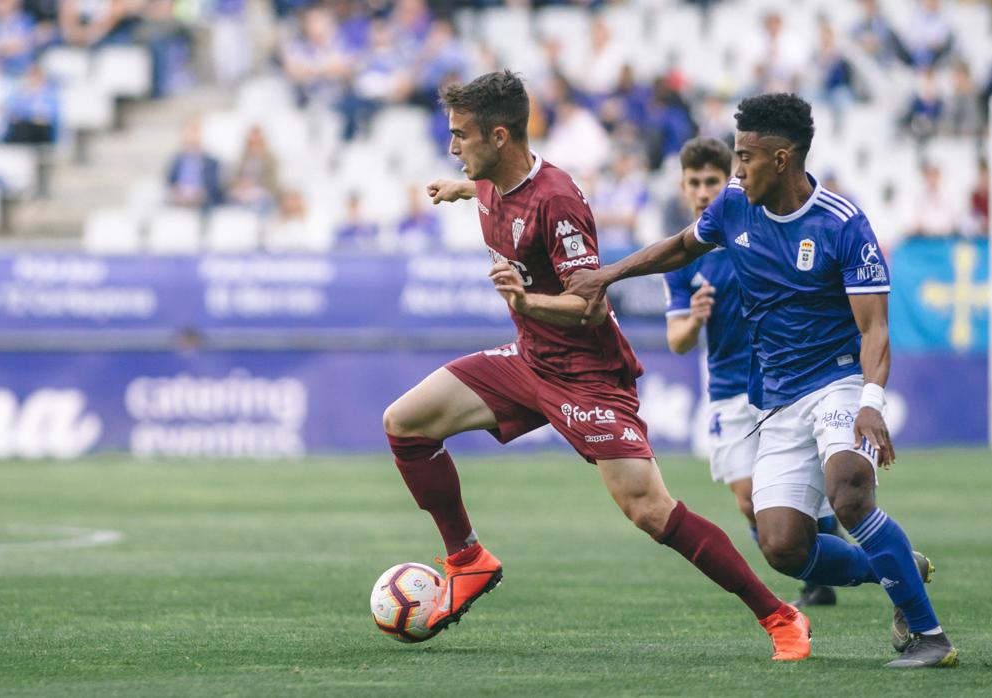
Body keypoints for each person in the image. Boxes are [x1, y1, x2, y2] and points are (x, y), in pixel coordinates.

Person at [382, 71, 811, 660]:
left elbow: (590, 305)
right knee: (405, 422)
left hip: (587, 375)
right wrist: (457, 190)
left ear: (500, 136)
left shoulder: (556, 200)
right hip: (530, 360)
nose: (453, 147)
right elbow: (483, 194)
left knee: (650, 511)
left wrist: (526, 302)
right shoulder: (487, 180)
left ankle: (781, 617)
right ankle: (467, 559)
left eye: (460, 136)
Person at [566, 93, 957, 669]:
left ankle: (930, 636)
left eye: (745, 157)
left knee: (848, 488)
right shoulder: (731, 208)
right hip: (777, 399)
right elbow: (679, 247)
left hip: (840, 382)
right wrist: (609, 273)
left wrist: (871, 400)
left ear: (782, 158)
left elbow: (874, 329)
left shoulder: (842, 224)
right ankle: (896, 567)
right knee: (781, 545)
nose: (736, 169)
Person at [663, 136, 843, 609]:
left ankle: (820, 575)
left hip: (780, 385)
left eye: (712, 182)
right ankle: (818, 558)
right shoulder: (683, 260)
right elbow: (676, 343)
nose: (703, 192)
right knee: (748, 501)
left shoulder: (755, 237)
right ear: (684, 189)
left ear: (731, 184)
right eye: (695, 183)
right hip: (726, 390)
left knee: (802, 495)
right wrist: (695, 319)